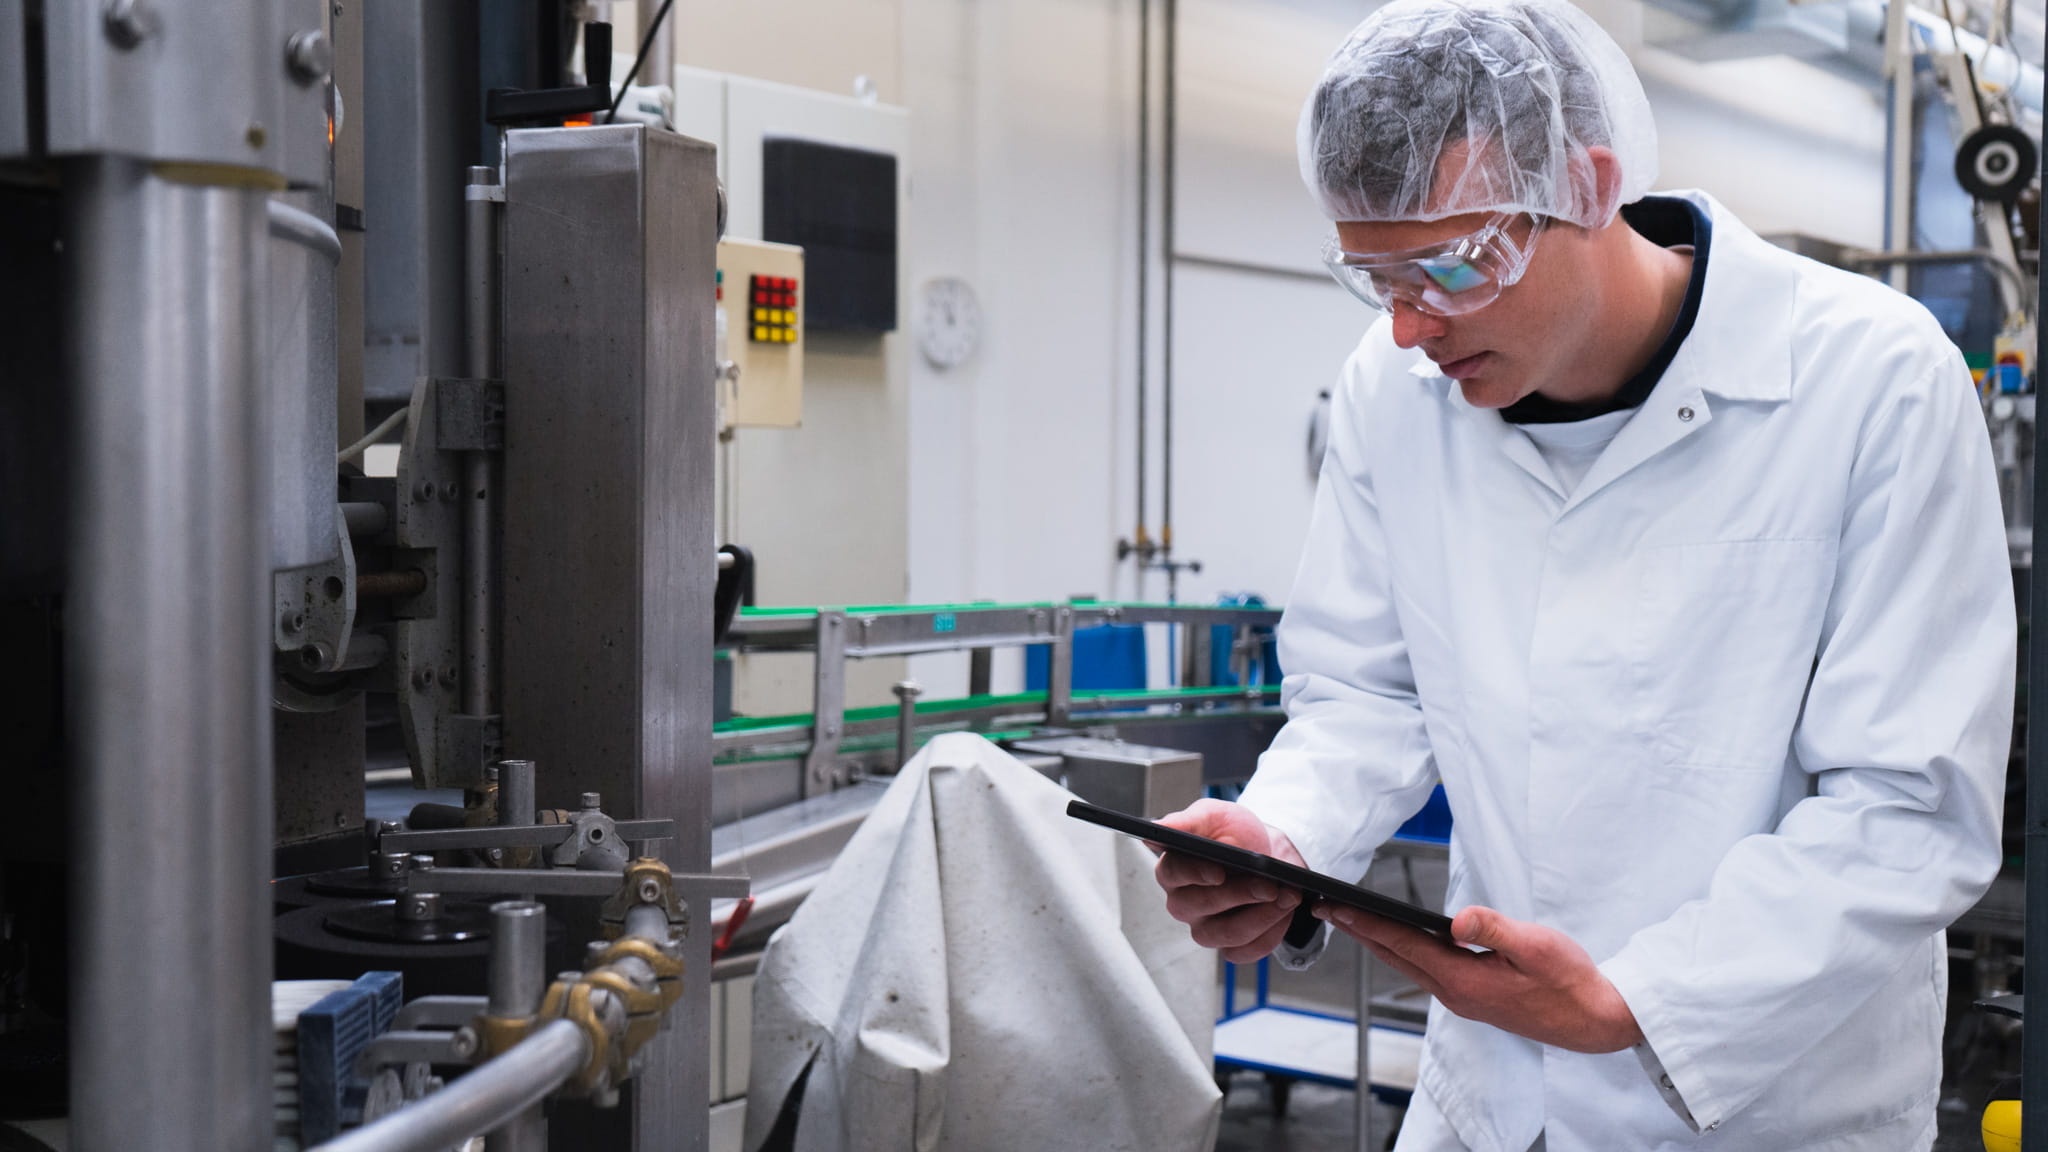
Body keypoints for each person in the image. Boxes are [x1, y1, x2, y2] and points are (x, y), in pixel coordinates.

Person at [1152, 0, 2017, 1147]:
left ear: (1590, 186)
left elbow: (1907, 806)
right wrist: (1287, 840)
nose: (1413, 330)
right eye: (1377, 281)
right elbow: (1365, 693)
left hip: (1768, 1105)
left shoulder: (1871, 377)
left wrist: (1635, 1005)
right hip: (1490, 1095)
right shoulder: (1389, 387)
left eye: (1450, 268)